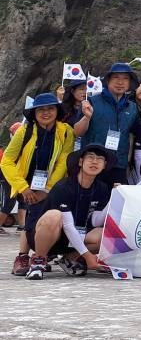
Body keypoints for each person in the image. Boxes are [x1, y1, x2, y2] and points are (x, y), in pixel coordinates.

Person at [1, 92, 76, 276]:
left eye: (50, 109)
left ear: (57, 111)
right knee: (30, 217)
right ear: (34, 113)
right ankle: (23, 257)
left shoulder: (66, 131)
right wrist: (23, 188)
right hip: (26, 182)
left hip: (52, 183)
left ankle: (41, 255)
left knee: (48, 218)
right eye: (40, 109)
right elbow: (7, 161)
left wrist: (48, 189)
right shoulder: (24, 131)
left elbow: (63, 161)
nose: (46, 113)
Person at [22, 143, 114, 279]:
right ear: (81, 162)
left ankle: (69, 258)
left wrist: (114, 197)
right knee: (54, 216)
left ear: (104, 165)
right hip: (48, 236)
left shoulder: (102, 188)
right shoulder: (63, 187)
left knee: (105, 233)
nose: (95, 162)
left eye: (100, 159)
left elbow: (96, 221)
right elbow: (68, 225)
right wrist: (88, 256)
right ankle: (38, 261)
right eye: (90, 157)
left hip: (74, 239)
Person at [74, 63, 141, 185]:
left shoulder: (133, 108)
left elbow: (132, 136)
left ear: (129, 83)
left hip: (119, 165)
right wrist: (87, 117)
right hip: (93, 163)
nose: (120, 82)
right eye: (116, 77)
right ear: (108, 80)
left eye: (125, 78)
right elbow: (77, 132)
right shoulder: (91, 102)